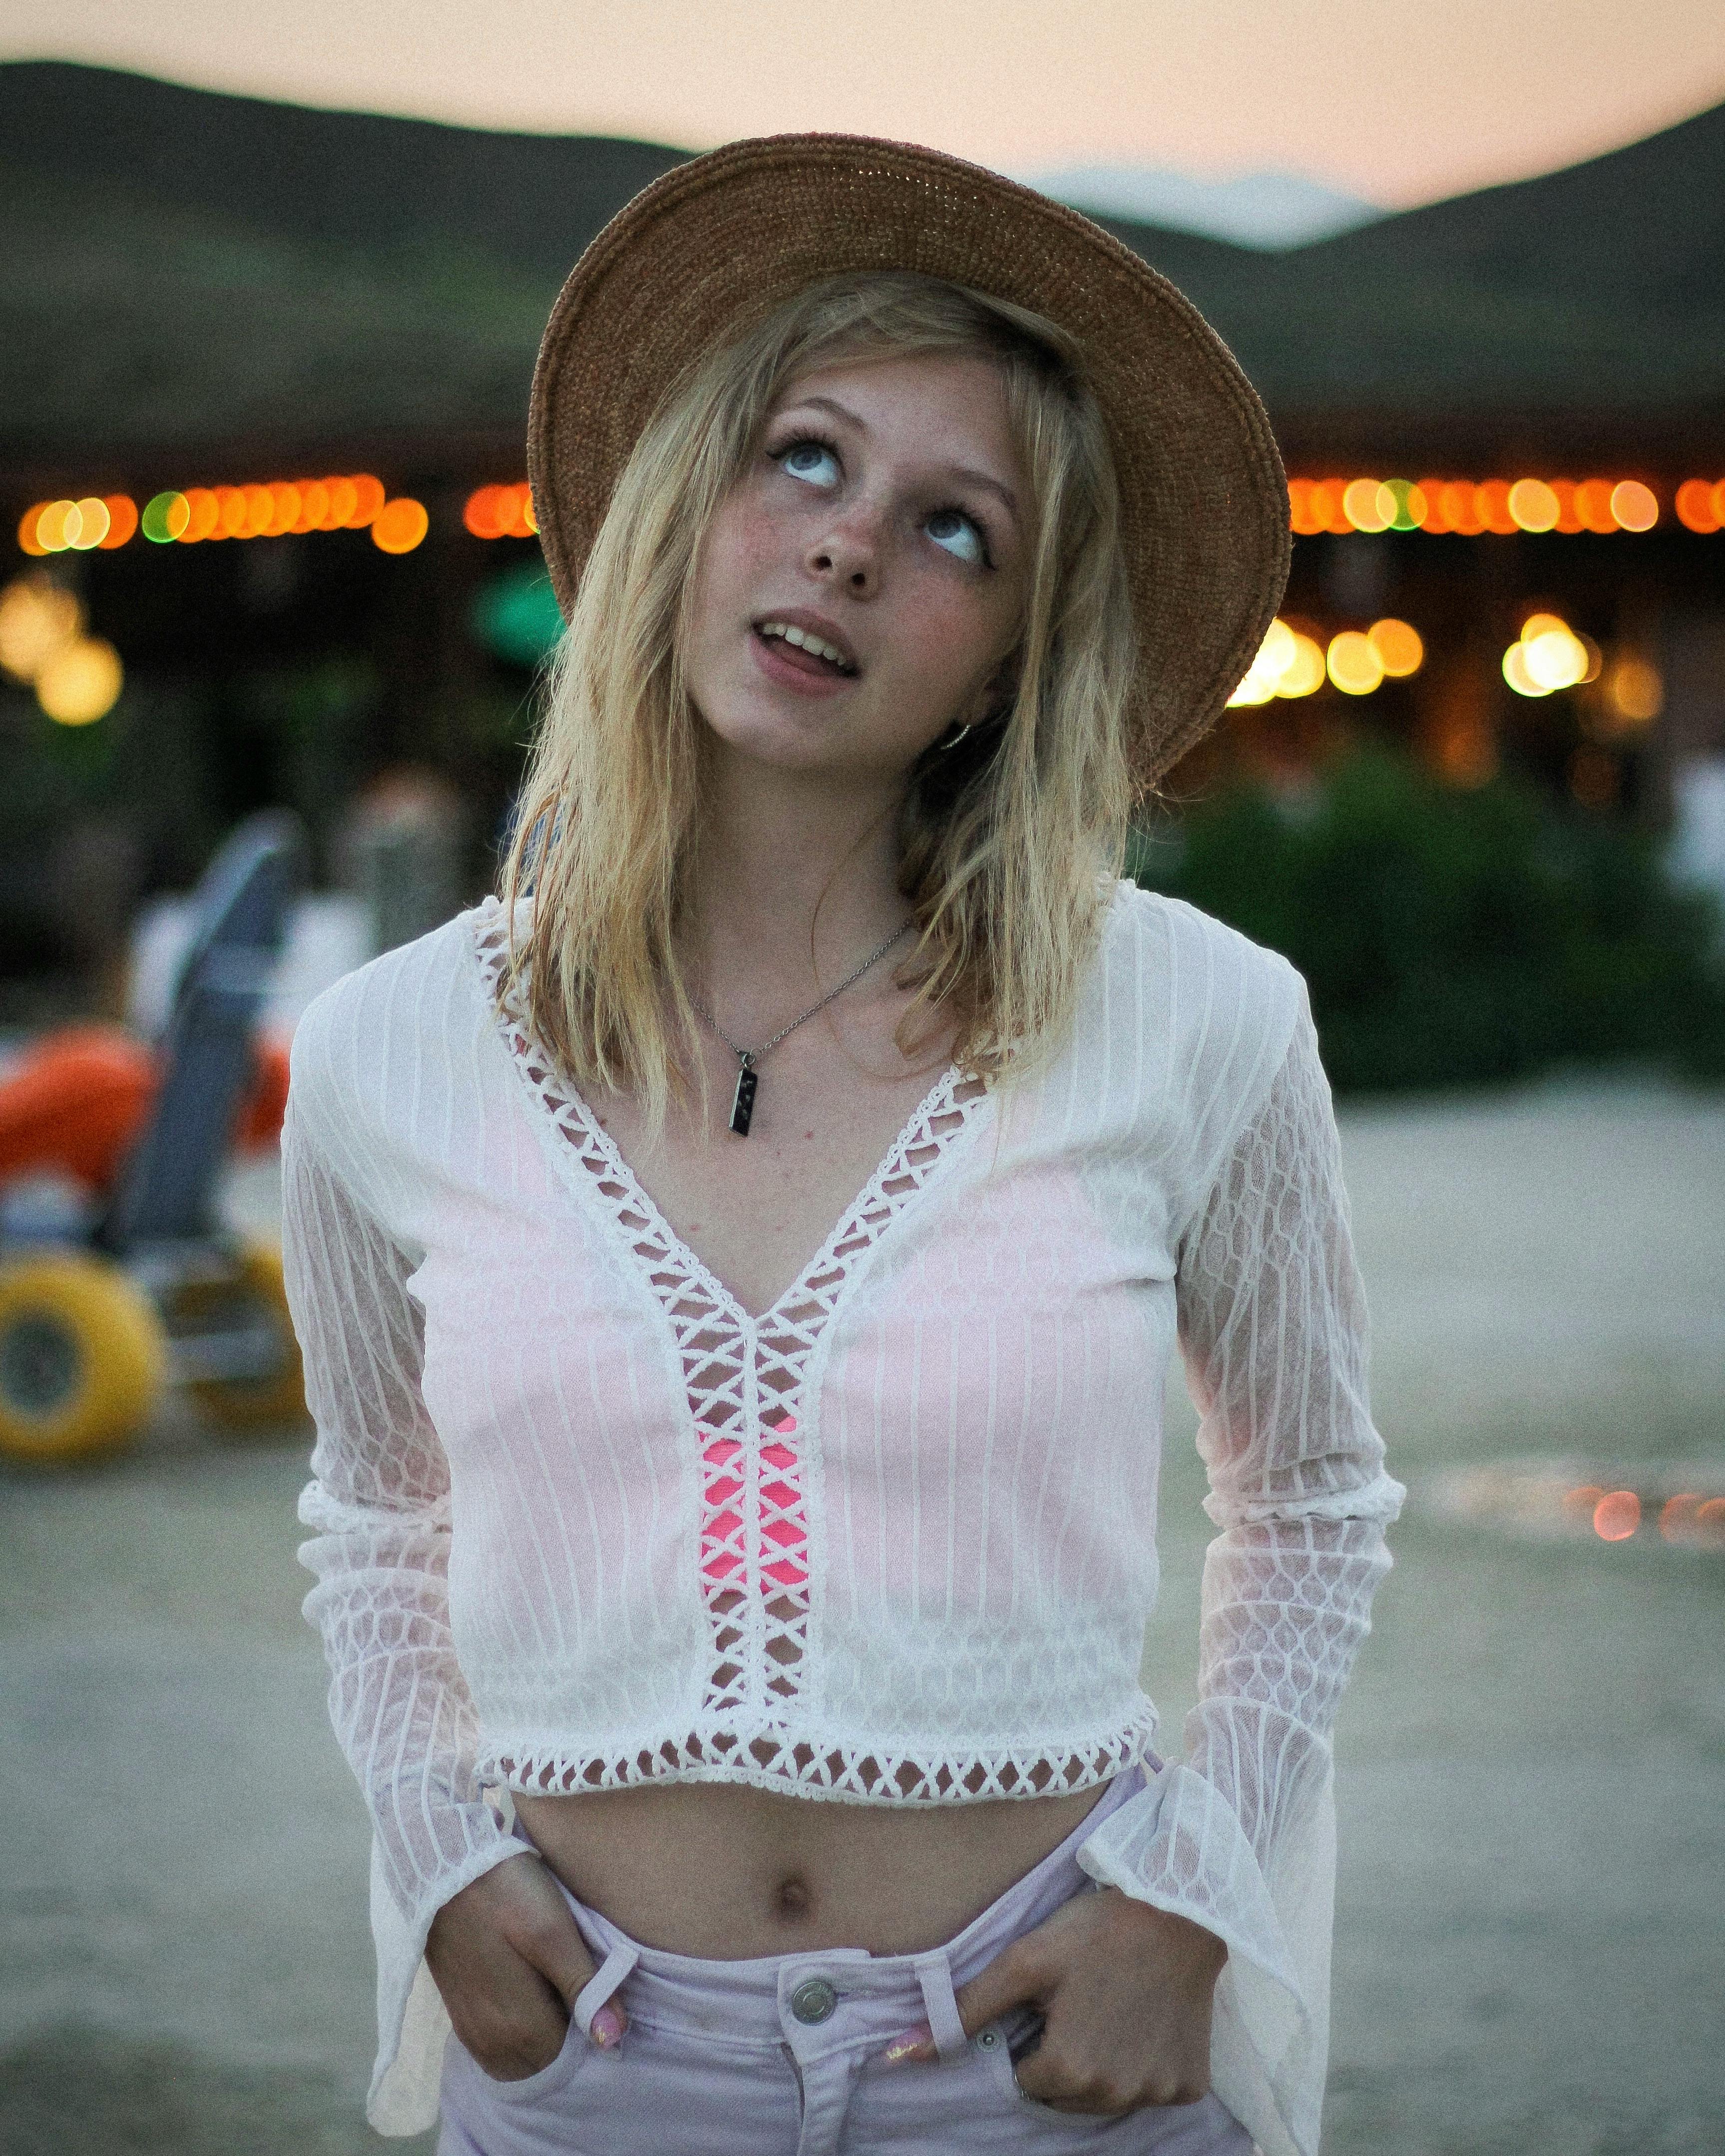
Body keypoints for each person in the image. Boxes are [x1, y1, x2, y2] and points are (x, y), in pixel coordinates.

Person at [283, 136, 1403, 2156]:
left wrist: (1193, 1892)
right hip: (589, 2075)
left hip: (1049, 2061)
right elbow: (376, 1519)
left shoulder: (1207, 1020)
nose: (851, 547)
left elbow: (1312, 1501)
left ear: (1009, 661)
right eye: (804, 457)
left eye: (955, 529)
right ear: (688, 508)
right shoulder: (388, 1053)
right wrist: (436, 1861)